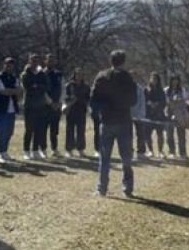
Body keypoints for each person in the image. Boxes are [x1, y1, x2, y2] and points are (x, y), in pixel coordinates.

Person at [90, 50, 137, 197]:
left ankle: (102, 188)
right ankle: (127, 187)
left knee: (104, 158)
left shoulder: (101, 77)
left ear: (111, 61)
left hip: (107, 120)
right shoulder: (128, 78)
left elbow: (93, 99)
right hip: (123, 120)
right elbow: (133, 100)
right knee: (126, 158)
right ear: (123, 61)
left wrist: (100, 111)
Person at [21, 53, 49, 160]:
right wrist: (37, 86)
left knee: (38, 129)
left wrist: (36, 86)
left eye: (37, 61)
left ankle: (35, 150)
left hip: (40, 105)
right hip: (29, 105)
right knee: (29, 129)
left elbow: (46, 86)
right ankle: (26, 151)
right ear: (30, 61)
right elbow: (27, 87)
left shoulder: (42, 74)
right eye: (33, 61)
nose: (35, 63)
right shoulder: (25, 74)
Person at [0, 57, 22, 163]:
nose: (9, 66)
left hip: (12, 109)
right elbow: (2, 91)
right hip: (2, 109)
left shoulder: (14, 77)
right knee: (3, 131)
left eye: (11, 65)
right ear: (4, 65)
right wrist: (12, 91)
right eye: (7, 64)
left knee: (10, 132)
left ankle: (5, 152)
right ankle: (1, 153)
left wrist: (11, 90)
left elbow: (19, 91)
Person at [63, 67, 91, 157]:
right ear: (74, 75)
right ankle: (69, 150)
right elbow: (65, 97)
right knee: (70, 130)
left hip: (81, 110)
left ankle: (81, 149)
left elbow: (88, 99)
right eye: (77, 74)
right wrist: (70, 100)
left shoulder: (86, 87)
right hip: (71, 110)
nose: (79, 76)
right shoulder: (69, 85)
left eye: (81, 74)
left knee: (81, 130)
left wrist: (86, 105)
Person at [44, 53, 64, 157]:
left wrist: (60, 102)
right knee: (43, 128)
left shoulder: (59, 74)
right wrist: (50, 102)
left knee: (54, 129)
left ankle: (54, 148)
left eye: (53, 60)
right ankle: (42, 149)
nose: (51, 62)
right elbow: (43, 91)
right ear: (45, 61)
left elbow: (62, 88)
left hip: (57, 106)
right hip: (45, 106)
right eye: (49, 60)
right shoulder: (42, 73)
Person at [165, 75, 189, 159]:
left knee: (181, 134)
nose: (175, 82)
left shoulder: (182, 90)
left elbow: (185, 99)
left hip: (180, 113)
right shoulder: (166, 90)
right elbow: (165, 101)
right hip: (169, 113)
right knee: (169, 135)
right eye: (173, 80)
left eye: (176, 80)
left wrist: (179, 101)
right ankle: (172, 152)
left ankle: (183, 153)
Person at [144, 72, 167, 159]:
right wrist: (149, 103)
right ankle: (150, 150)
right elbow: (144, 101)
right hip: (148, 115)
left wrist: (157, 104)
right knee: (147, 134)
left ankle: (160, 151)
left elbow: (164, 102)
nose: (154, 80)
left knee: (160, 134)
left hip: (159, 115)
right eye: (152, 78)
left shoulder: (161, 91)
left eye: (155, 79)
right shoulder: (146, 90)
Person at [131, 72, 148, 160]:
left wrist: (141, 115)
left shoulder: (140, 89)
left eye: (134, 77)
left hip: (139, 115)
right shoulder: (123, 88)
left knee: (141, 134)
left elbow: (142, 103)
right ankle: (129, 152)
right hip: (127, 116)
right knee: (128, 135)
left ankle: (141, 152)